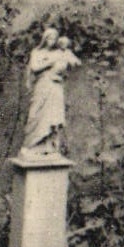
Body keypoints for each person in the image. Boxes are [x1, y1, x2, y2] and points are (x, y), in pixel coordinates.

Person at [22, 25, 80, 153]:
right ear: (44, 39)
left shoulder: (58, 53)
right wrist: (51, 62)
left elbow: (73, 62)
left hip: (55, 86)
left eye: (54, 39)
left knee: (53, 115)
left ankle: (49, 145)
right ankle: (31, 144)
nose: (52, 41)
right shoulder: (36, 52)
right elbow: (35, 67)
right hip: (42, 85)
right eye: (49, 38)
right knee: (36, 113)